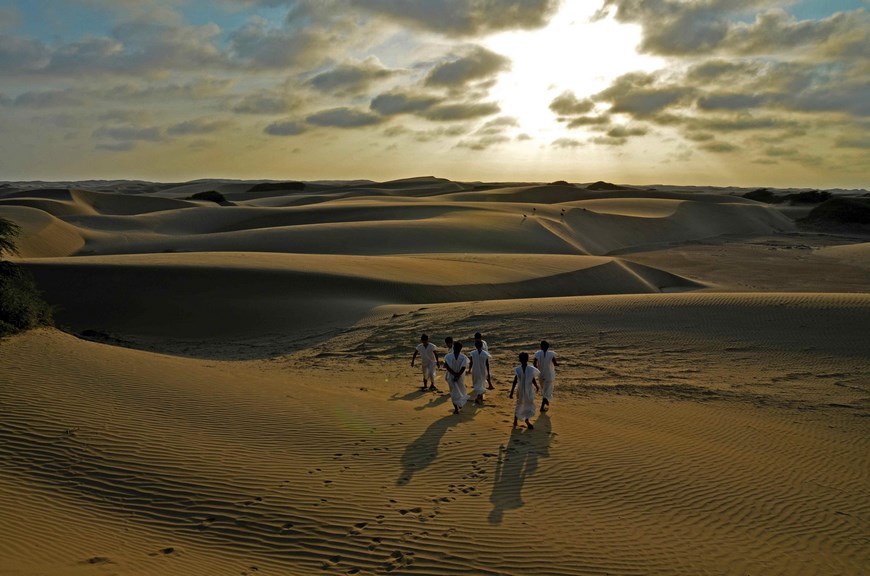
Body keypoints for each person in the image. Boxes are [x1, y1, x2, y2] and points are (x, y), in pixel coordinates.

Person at [509, 352, 540, 429]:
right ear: (527, 359)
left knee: (519, 404)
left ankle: (517, 420)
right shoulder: (528, 369)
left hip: (522, 390)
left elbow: (515, 381)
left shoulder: (520, 369)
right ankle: (524, 420)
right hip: (527, 390)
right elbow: (532, 379)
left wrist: (512, 391)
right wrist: (536, 386)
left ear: (519, 360)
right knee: (527, 404)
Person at [443, 341, 469, 414]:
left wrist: (457, 375)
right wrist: (454, 374)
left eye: (457, 348)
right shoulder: (448, 356)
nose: (455, 349)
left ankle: (460, 403)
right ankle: (456, 408)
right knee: (453, 392)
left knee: (461, 390)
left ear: (460, 349)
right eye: (455, 348)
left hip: (460, 377)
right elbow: (446, 366)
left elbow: (463, 367)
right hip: (451, 376)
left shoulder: (463, 357)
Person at [533, 340, 558, 412]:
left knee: (544, 390)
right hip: (549, 375)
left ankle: (545, 401)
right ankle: (542, 406)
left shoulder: (538, 353)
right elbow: (555, 363)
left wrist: (537, 368)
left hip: (541, 375)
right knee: (547, 391)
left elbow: (534, 363)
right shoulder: (551, 354)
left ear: (541, 346)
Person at [468, 339, 492, 404]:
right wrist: (488, 372)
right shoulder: (485, 354)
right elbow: (487, 364)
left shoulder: (473, 353)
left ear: (475, 346)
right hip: (482, 371)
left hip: (475, 371)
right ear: (482, 346)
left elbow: (471, 363)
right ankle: (480, 397)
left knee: (476, 383)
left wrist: (469, 370)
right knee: (481, 383)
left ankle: (479, 396)